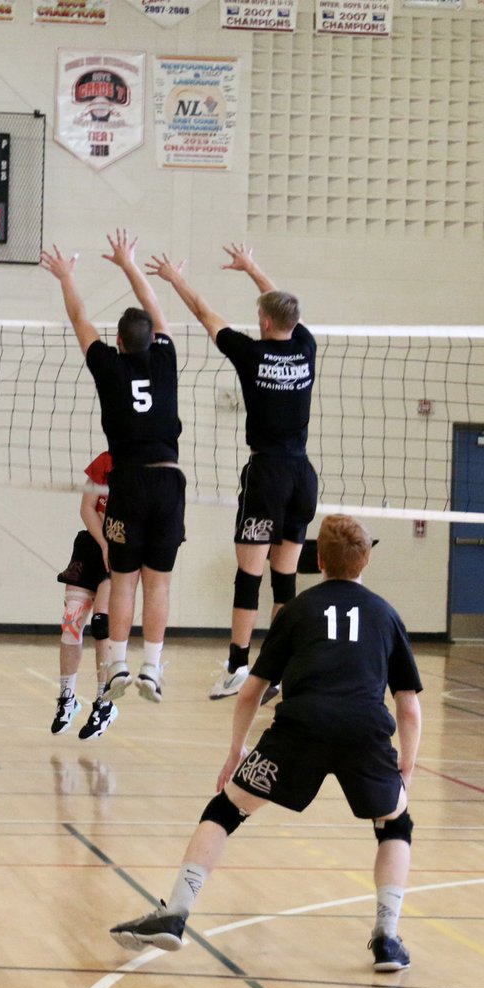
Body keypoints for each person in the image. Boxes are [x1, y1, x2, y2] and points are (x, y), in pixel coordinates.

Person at [110, 514, 422, 972]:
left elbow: (252, 690)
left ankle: (175, 914)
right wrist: (407, 768)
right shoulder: (385, 614)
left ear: (318, 560)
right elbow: (409, 707)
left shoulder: (296, 610)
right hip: (365, 731)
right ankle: (387, 939)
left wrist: (236, 752)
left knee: (226, 808)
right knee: (394, 824)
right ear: (366, 560)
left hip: (301, 727)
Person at [147, 242, 318, 701]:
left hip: (267, 476)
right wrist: (254, 270)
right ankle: (278, 670)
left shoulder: (251, 353)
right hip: (303, 475)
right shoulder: (306, 347)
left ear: (263, 322)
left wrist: (173, 278)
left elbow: (205, 313)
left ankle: (240, 666)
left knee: (249, 576)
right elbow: (284, 307)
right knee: (285, 580)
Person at [41, 229, 185, 705]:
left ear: (119, 341)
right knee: (157, 581)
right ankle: (152, 669)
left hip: (127, 482)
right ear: (150, 340)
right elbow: (159, 314)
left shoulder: (107, 364)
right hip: (168, 480)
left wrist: (66, 276)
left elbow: (80, 318)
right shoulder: (166, 358)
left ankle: (119, 663)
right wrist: (130, 264)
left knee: (123, 578)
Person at [52, 449, 118, 741]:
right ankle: (68, 698)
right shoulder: (106, 460)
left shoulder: (145, 466)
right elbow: (87, 507)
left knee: (102, 622)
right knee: (70, 622)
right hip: (93, 545)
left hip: (121, 551)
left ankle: (104, 703)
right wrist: (103, 544)